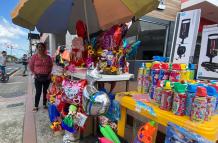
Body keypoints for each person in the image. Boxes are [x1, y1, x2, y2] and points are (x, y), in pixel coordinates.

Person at [29, 43, 53, 111]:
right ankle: (36, 106)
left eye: (42, 47)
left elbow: (51, 66)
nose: (40, 48)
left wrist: (49, 74)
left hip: (47, 77)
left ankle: (44, 104)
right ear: (37, 48)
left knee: (45, 91)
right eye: (39, 47)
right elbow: (31, 66)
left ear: (44, 48)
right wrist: (34, 74)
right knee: (38, 92)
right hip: (38, 77)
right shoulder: (34, 57)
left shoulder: (48, 57)